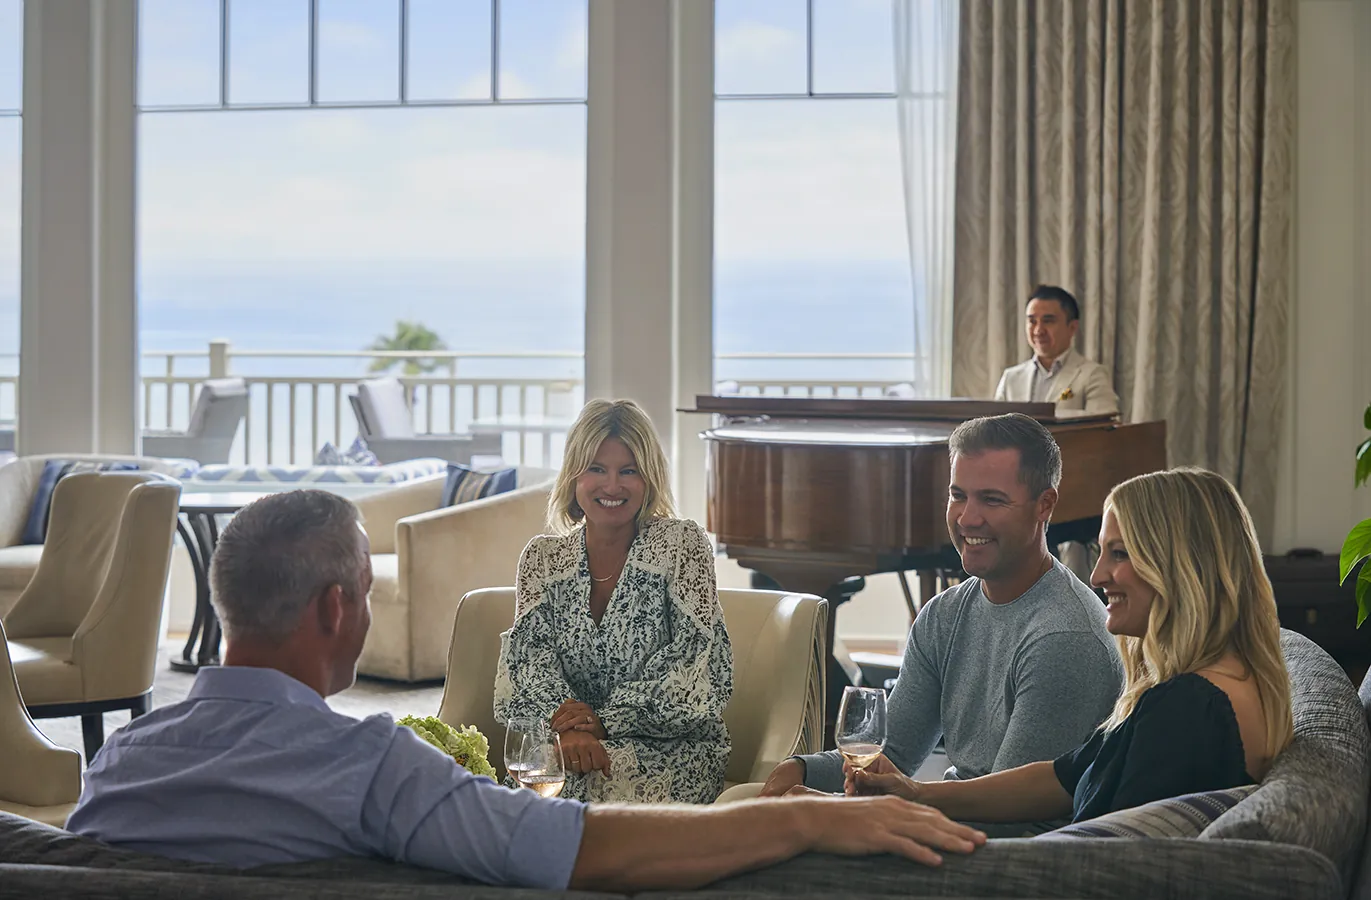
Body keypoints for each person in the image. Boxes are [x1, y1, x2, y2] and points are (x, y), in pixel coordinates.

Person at [66, 489, 987, 891]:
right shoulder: (374, 769)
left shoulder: (118, 771)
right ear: (340, 608)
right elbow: (596, 853)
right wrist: (810, 819)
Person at [844, 467, 1294, 827]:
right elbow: (1062, 777)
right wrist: (916, 793)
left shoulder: (1189, 709)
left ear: (1180, 565)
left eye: (1119, 554)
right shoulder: (1203, 687)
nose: (1097, 576)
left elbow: (1096, 864)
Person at [758, 414, 1124, 834]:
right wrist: (798, 770)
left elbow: (1014, 812)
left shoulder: (1065, 637)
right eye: (958, 495)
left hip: (1011, 855)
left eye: (992, 499)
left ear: (1045, 505)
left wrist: (835, 811)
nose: (967, 519)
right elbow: (892, 750)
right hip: (956, 827)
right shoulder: (943, 615)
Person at [494, 398, 731, 804]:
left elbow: (695, 670)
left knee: (568, 791)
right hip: (564, 748)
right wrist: (565, 728)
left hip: (672, 752)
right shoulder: (542, 558)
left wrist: (603, 722)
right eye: (596, 469)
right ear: (573, 476)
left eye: (629, 471)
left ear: (649, 478)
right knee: (521, 790)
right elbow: (528, 664)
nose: (612, 486)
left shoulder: (682, 545)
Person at [994, 285, 1119, 417]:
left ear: (1072, 327)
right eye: (1032, 321)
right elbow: (993, 431)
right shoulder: (1011, 378)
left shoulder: (1092, 375)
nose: (1038, 331)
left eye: (1048, 321)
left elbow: (1105, 430)